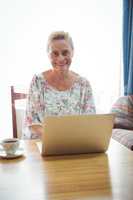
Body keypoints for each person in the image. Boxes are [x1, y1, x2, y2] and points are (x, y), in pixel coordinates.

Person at [25, 31, 96, 139]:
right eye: (55, 53)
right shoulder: (38, 81)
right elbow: (32, 123)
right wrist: (57, 139)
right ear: (48, 55)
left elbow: (90, 122)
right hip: (43, 145)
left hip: (75, 145)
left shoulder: (84, 85)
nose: (60, 58)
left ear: (72, 52)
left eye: (65, 52)